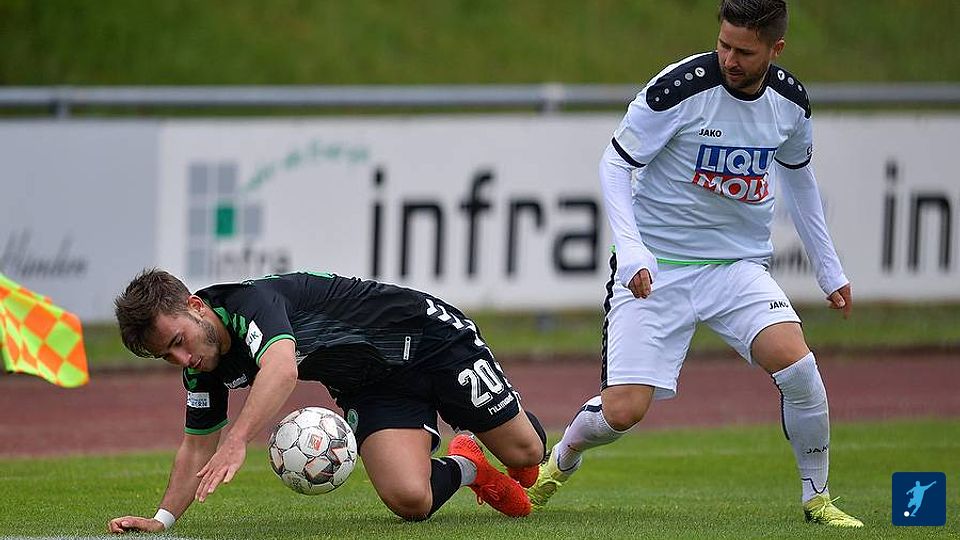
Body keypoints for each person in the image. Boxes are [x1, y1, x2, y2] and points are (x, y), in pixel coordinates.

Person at [526, 0, 863, 529]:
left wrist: (829, 268)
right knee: (623, 412)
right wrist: (632, 248)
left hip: (737, 266)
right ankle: (563, 457)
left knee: (799, 367)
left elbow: (799, 177)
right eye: (723, 44)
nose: (729, 59)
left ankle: (817, 499)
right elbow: (614, 163)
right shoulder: (677, 90)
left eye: (744, 51)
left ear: (775, 49)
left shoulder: (790, 103)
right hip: (656, 268)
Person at [107, 269, 545, 534]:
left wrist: (237, 440)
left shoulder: (252, 303)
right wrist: (162, 520)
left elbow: (282, 368)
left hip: (431, 340)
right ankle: (469, 464)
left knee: (526, 455)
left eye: (178, 341)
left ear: (195, 306)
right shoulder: (201, 365)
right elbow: (196, 447)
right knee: (411, 500)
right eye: (166, 355)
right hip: (372, 385)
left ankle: (502, 429)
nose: (182, 359)